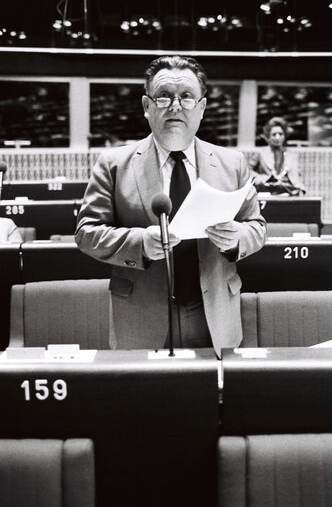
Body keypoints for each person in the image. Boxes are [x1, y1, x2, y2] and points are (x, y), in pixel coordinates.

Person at [75, 55, 266, 356]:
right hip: (141, 315)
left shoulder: (233, 164)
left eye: (187, 97)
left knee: (211, 400)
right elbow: (86, 233)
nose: (175, 106)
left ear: (201, 108)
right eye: (163, 96)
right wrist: (139, 242)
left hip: (213, 314)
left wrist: (236, 238)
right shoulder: (113, 164)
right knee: (145, 400)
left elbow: (257, 228)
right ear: (146, 106)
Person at [249, 116, 306, 195]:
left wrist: (301, 189)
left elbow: (297, 177)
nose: (277, 137)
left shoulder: (291, 156)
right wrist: (261, 179)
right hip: (267, 189)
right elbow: (248, 171)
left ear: (284, 136)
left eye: (280, 134)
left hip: (287, 190)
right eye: (274, 134)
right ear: (268, 137)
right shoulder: (261, 153)